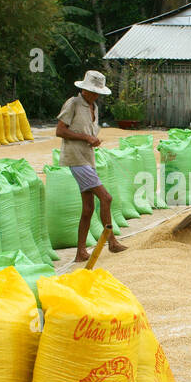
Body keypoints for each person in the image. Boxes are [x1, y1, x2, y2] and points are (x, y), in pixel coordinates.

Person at [56, 70, 128, 263]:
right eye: (93, 92)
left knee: (88, 208)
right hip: (76, 159)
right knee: (106, 198)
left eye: (98, 93)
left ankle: (81, 252)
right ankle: (111, 241)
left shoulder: (93, 107)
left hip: (88, 158)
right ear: (84, 90)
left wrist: (93, 139)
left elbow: (87, 131)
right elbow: (60, 130)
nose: (96, 96)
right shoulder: (73, 104)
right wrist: (86, 138)